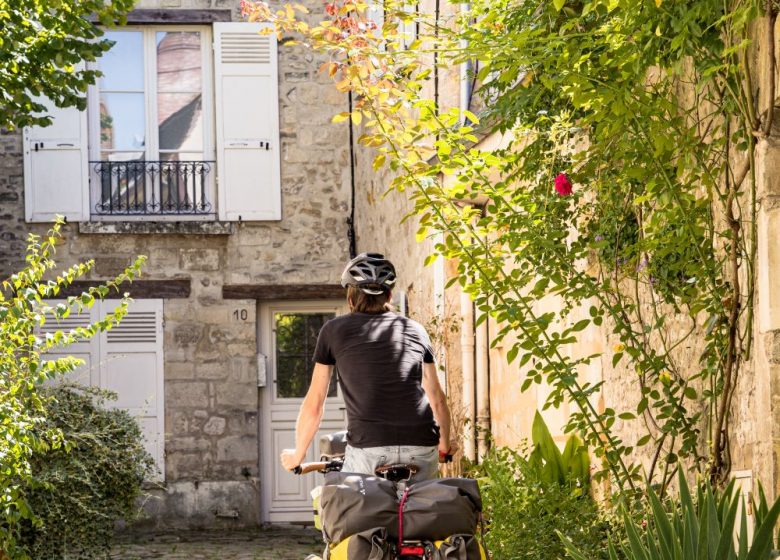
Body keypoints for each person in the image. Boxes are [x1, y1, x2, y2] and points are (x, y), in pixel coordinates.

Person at [280, 252, 455, 481]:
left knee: (349, 509)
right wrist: (443, 447)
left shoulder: (333, 331)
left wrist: (298, 455)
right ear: (389, 295)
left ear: (350, 299)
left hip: (368, 448)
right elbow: (437, 398)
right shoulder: (416, 330)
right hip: (421, 446)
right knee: (421, 510)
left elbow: (315, 402)